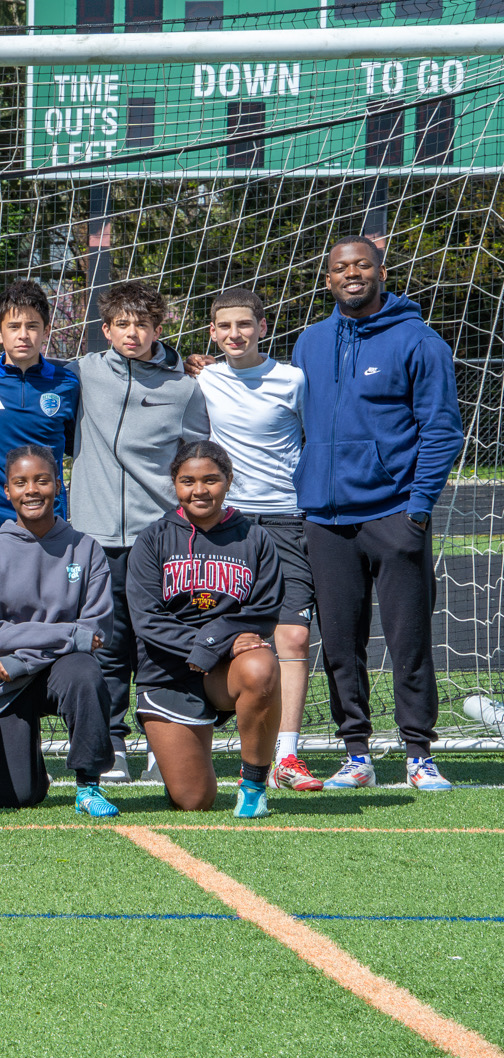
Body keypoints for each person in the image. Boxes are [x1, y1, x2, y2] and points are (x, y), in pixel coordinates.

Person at [294, 236, 463, 791]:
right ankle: (356, 753)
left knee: (408, 640)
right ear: (328, 279)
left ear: (381, 272)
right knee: (340, 643)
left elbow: (442, 431)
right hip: (325, 519)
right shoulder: (310, 342)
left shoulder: (419, 340)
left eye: (362, 264)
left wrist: (417, 509)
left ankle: (419, 753)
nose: (352, 274)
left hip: (394, 514)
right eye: (341, 267)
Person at [64, 281, 209, 780]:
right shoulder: (82, 374)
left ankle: (163, 744)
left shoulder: (186, 387)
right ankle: (111, 747)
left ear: (158, 329)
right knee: (106, 645)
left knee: (161, 645)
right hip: (94, 537)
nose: (131, 333)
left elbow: (196, 460)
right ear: (105, 330)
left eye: (141, 324)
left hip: (159, 540)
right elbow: (28, 361)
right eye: (121, 324)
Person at [197, 287, 320, 791]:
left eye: (244, 325)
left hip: (287, 522)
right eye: (224, 326)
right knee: (211, 629)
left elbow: (317, 445)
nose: (234, 334)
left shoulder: (292, 380)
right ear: (212, 332)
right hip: (232, 526)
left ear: (262, 327)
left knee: (291, 635)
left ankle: (287, 756)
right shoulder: (204, 378)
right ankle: (186, 740)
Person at [128, 443, 284, 817]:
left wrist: (213, 646)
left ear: (228, 481)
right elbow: (147, 618)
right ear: (175, 484)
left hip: (225, 669)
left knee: (261, 666)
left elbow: (262, 613)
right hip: (168, 672)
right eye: (188, 481)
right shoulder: (152, 539)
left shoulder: (255, 538)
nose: (200, 490)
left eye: (211, 480)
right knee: (195, 800)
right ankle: (178, 761)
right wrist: (203, 646)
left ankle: (253, 786)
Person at [0, 446, 118, 818]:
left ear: (58, 486)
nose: (31, 490)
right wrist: (65, 636)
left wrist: (21, 661)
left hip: (49, 671)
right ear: (7, 491)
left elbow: (95, 631)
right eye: (21, 482)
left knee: (85, 670)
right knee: (14, 797)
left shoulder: (87, 549)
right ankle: (27, 770)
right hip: (1, 681)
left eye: (41, 480)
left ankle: (87, 785)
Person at [0, 280, 80, 547]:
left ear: (46, 331)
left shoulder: (67, 384)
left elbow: (76, 446)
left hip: (50, 521)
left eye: (32, 326)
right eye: (14, 327)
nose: (23, 335)